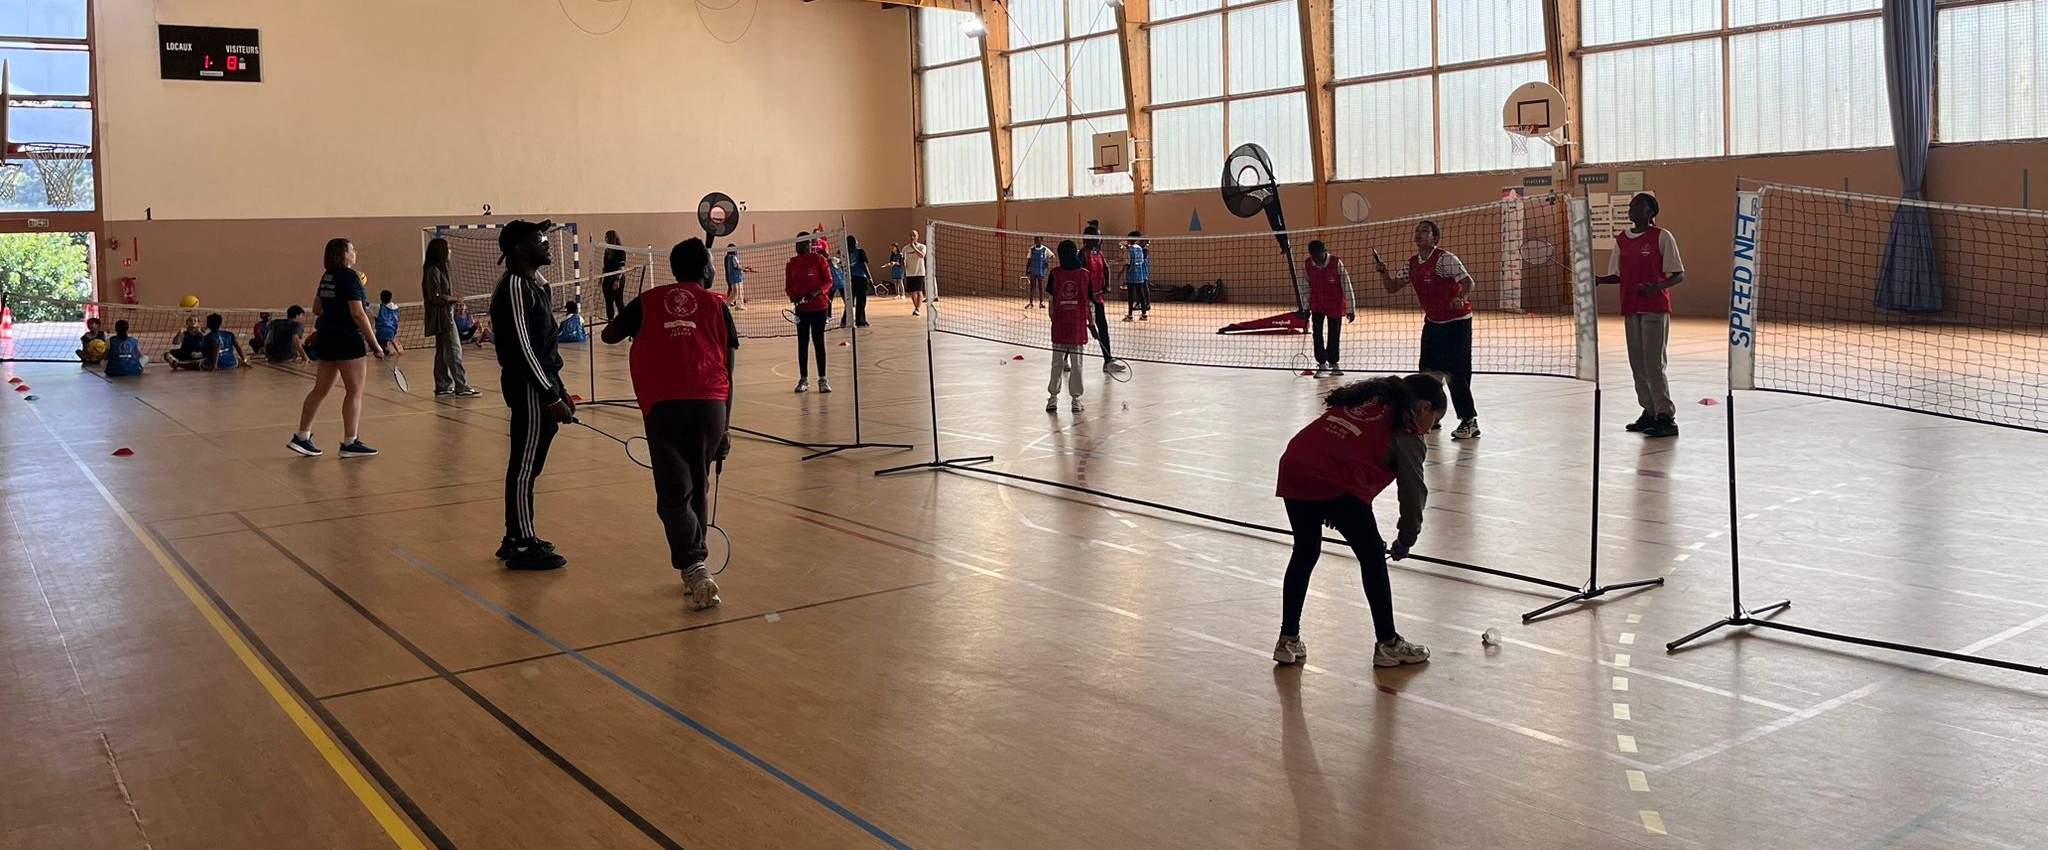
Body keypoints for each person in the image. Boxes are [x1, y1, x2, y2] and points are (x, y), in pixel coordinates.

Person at [601, 237, 736, 611]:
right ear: (706, 270)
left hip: (664, 406)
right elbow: (729, 370)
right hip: (711, 406)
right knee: (698, 486)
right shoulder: (718, 305)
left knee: (675, 493)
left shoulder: (648, 301)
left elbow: (609, 335)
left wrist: (643, 323)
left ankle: (694, 564)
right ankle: (696, 564)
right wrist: (726, 428)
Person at [1272, 373, 1443, 668]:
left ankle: (1287, 640)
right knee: (1373, 555)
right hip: (1334, 478)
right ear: (1425, 407)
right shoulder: (1407, 430)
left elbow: (1341, 444)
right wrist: (1406, 540)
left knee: (1305, 550)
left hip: (1296, 463)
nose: (1430, 428)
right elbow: (1413, 494)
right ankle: (1388, 644)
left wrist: (1327, 504)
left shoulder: (1370, 399)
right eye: (1435, 420)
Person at [490, 219, 574, 570]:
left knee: (530, 464)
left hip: (543, 383)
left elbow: (545, 348)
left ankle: (515, 536)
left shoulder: (533, 284)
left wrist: (561, 390)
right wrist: (550, 396)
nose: (547, 243)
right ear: (519, 248)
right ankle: (523, 543)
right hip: (529, 387)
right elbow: (523, 351)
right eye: (539, 239)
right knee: (524, 466)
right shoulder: (514, 287)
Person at [1375, 221, 1480, 439]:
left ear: (1435, 239)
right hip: (1433, 322)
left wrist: (1461, 298)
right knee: (1428, 372)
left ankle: (1469, 421)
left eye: (1425, 231)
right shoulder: (1412, 264)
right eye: (1417, 231)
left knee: (1455, 373)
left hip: (1457, 322)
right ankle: (1432, 415)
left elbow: (1468, 282)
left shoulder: (1445, 259)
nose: (1419, 234)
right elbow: (1392, 287)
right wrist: (1384, 272)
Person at [289, 238, 391, 459]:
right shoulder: (351, 277)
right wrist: (375, 344)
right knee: (354, 392)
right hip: (348, 339)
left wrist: (334, 310)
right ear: (343, 254)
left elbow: (317, 309)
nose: (355, 252)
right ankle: (350, 442)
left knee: (320, 390)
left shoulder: (327, 276)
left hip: (326, 338)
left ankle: (302, 437)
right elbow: (358, 313)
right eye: (352, 249)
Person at [1597, 193, 1685, 438]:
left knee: (1654, 363)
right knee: (1637, 363)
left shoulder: (1662, 236)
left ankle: (1666, 417)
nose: (1632, 209)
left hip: (1655, 307)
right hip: (1630, 307)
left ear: (1651, 211)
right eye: (1631, 206)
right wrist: (1598, 280)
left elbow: (1679, 275)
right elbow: (1617, 275)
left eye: (1639, 205)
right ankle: (1649, 410)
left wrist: (1656, 288)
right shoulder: (1622, 240)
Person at [420, 238, 479, 397]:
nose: (450, 252)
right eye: (448, 249)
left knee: (443, 351)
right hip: (443, 317)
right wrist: (453, 298)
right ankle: (462, 386)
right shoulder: (433, 271)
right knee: (454, 350)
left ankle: (443, 385)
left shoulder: (439, 270)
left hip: (445, 315)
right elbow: (435, 297)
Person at [1045, 240, 1095, 413]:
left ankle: (1053, 398)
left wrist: (1055, 320)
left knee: (1057, 363)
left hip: (1062, 326)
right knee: (1076, 364)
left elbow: (1051, 303)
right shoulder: (1084, 274)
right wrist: (1091, 323)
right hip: (1076, 326)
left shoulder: (1056, 274)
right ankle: (1075, 399)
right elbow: (1089, 304)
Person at [786, 232, 834, 393]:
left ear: (808, 245)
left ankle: (823, 379)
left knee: (819, 342)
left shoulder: (819, 260)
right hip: (801, 310)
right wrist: (792, 295)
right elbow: (789, 285)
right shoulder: (791, 263)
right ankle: (803, 379)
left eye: (801, 243)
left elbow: (829, 281)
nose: (798, 246)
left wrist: (816, 292)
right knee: (802, 343)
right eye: (797, 243)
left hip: (819, 308)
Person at [1304, 240, 1357, 378]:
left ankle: (1333, 363)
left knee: (1334, 333)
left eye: (1318, 255)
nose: (1315, 259)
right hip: (1317, 304)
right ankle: (1322, 364)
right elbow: (1306, 287)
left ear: (1324, 251)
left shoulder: (1336, 263)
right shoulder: (1308, 264)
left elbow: (1347, 285)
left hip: (1335, 304)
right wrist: (1305, 308)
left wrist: (1351, 308)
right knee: (1317, 334)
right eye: (1313, 256)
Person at [1081, 221, 1125, 374]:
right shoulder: (1083, 254)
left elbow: (1106, 268)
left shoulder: (1098, 253)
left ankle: (1108, 361)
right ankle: (1064, 358)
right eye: (1098, 236)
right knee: (1079, 328)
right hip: (1085, 298)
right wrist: (1088, 292)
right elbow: (1080, 275)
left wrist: (1107, 284)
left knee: (1103, 327)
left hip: (1097, 297)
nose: (1100, 239)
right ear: (1090, 238)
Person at [1122, 231, 1151, 322]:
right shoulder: (1139, 249)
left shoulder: (1129, 250)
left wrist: (1121, 273)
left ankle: (1130, 315)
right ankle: (1144, 314)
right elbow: (1141, 261)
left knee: (1130, 296)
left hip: (1131, 275)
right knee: (1140, 294)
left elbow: (1127, 263)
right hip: (1139, 275)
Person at [846, 235, 873, 328]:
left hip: (851, 279)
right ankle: (860, 321)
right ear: (855, 242)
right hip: (861, 278)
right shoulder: (860, 251)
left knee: (850, 301)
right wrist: (870, 278)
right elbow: (863, 265)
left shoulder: (846, 253)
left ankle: (845, 320)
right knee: (861, 301)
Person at [601, 230, 628, 321]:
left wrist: (617, 280)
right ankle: (610, 321)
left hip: (617, 279)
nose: (605, 239)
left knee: (618, 301)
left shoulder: (621, 251)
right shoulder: (607, 251)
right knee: (608, 301)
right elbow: (605, 267)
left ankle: (624, 321)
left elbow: (621, 268)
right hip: (607, 279)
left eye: (606, 237)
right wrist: (601, 278)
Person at [903, 230, 929, 316]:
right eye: (911, 235)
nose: (912, 237)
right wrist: (903, 263)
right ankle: (916, 308)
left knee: (919, 291)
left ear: (917, 236)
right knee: (912, 292)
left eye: (914, 235)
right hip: (909, 273)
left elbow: (922, 255)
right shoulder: (905, 248)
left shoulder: (922, 246)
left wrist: (914, 247)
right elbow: (903, 260)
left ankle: (918, 308)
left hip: (919, 272)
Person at [374, 290, 403, 357]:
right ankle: (390, 346)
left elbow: (366, 305)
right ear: (390, 298)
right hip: (392, 331)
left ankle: (385, 348)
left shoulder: (377, 307)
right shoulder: (395, 307)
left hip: (381, 331)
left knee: (378, 349)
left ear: (380, 298)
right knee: (387, 341)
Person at [1025, 235, 1050, 309]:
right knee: (1032, 287)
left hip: (1040, 271)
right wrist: (1027, 270)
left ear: (1041, 241)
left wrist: (1046, 262)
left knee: (1041, 287)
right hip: (1033, 271)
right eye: (1036, 240)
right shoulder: (1032, 249)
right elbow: (1029, 260)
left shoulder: (1045, 249)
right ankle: (1031, 303)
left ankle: (1041, 303)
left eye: (1038, 240)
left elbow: (1052, 256)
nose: (1037, 242)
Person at [723, 245, 751, 310]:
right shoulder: (733, 257)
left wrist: (744, 268)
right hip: (736, 277)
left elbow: (737, 266)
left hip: (733, 277)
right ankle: (738, 305)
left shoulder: (728, 257)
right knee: (738, 292)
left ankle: (728, 303)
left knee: (735, 292)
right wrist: (744, 269)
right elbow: (737, 267)